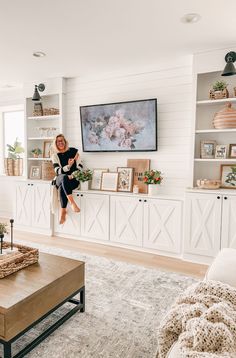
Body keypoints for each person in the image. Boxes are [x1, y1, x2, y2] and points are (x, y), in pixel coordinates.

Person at [51, 134, 83, 224]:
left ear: (65, 142)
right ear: (55, 144)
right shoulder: (55, 156)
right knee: (64, 177)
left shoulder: (74, 152)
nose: (60, 143)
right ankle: (72, 203)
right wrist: (68, 166)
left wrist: (72, 175)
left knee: (63, 186)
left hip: (72, 179)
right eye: (58, 141)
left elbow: (80, 166)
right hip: (60, 178)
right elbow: (58, 171)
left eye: (62, 140)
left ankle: (63, 212)